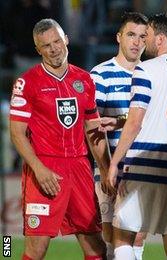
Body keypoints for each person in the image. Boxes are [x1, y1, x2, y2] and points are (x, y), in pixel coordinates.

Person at [10, 18, 109, 260]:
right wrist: (39, 169)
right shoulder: (27, 82)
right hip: (45, 168)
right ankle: (7, 252)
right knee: (36, 249)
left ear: (66, 39)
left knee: (96, 247)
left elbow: (93, 128)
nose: (54, 49)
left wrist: (106, 169)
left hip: (80, 168)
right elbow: (16, 133)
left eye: (57, 41)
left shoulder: (84, 80)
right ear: (38, 50)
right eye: (46, 45)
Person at [104, 13, 167, 260]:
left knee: (122, 235)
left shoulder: (145, 69)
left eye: (149, 34)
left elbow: (135, 122)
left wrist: (114, 163)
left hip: (144, 162)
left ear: (161, 39)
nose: (146, 39)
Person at [89, 12, 148, 260]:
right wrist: (104, 169)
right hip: (112, 171)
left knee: (138, 237)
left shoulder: (151, 74)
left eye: (143, 37)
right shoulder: (101, 74)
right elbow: (92, 126)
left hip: (145, 170)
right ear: (118, 37)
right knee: (113, 239)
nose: (136, 42)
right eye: (131, 35)